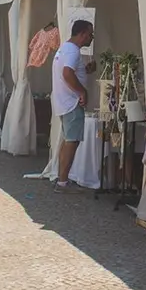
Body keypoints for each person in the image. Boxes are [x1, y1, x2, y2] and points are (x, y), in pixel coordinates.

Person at [51, 20, 95, 194]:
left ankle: (62, 178)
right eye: (90, 34)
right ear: (83, 33)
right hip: (71, 102)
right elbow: (67, 73)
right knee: (71, 141)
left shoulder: (65, 49)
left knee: (68, 140)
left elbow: (69, 71)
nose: (91, 38)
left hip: (64, 101)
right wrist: (82, 91)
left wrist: (85, 70)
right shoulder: (73, 51)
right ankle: (62, 181)